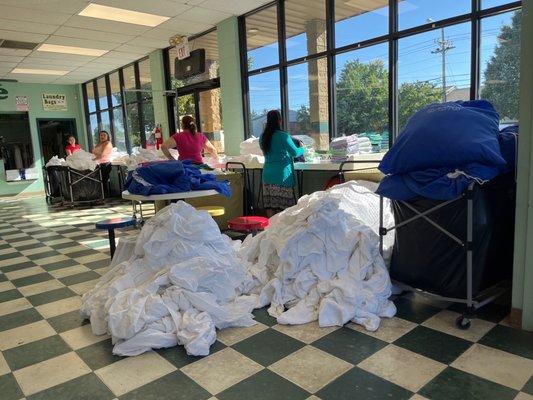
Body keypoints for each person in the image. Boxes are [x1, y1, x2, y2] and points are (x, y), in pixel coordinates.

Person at [260, 110, 304, 217]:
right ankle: (281, 232)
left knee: (270, 205)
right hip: (281, 176)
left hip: (267, 175)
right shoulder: (283, 136)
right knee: (283, 208)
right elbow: (294, 153)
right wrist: (302, 148)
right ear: (280, 121)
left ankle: (271, 230)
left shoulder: (263, 137)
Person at [92, 130, 113, 196]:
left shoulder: (108, 143)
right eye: (101, 135)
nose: (102, 136)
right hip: (98, 164)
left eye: (104, 135)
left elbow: (102, 155)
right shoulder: (99, 144)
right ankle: (101, 195)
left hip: (105, 164)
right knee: (99, 181)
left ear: (107, 136)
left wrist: (92, 160)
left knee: (103, 181)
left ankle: (105, 196)